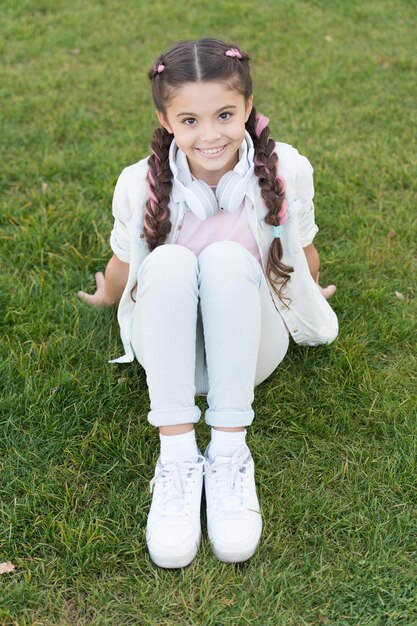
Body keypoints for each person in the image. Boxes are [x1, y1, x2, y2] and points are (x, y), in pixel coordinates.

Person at [77, 38, 338, 569]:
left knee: (224, 259)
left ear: (247, 107)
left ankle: (227, 454)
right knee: (169, 265)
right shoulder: (139, 182)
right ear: (165, 119)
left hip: (247, 356)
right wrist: (108, 293)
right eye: (190, 120)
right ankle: (176, 458)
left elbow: (299, 248)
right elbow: (126, 261)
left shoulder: (286, 168)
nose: (211, 134)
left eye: (225, 114)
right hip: (167, 356)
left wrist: (307, 291)